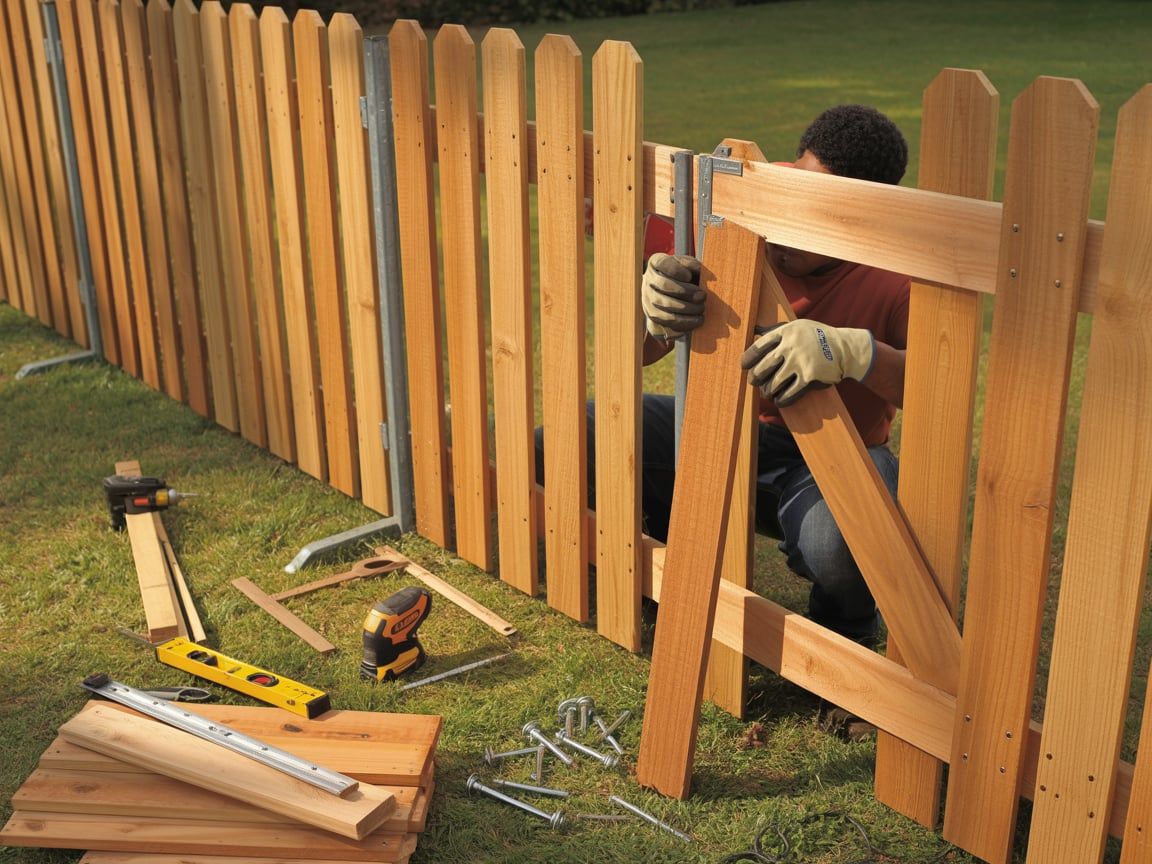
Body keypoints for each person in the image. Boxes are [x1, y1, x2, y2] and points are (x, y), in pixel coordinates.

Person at [639, 104, 910, 646]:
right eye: (799, 192)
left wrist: (855, 353)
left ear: (865, 216)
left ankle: (846, 629)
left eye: (824, 213)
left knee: (840, 543)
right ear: (793, 166)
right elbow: (642, 352)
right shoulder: (739, 201)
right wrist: (654, 315)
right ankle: (662, 574)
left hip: (838, 450)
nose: (793, 225)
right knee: (573, 442)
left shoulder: (897, 274)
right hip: (725, 426)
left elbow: (935, 393)